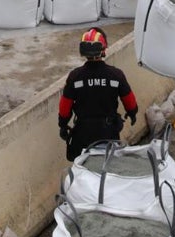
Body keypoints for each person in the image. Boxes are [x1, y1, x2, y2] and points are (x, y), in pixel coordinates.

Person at [58, 27, 138, 161]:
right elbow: (129, 100)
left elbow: (65, 107)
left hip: (83, 133)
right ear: (103, 50)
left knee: (83, 167)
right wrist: (132, 113)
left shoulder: (75, 77)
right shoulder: (115, 75)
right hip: (108, 133)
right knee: (109, 166)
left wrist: (63, 124)